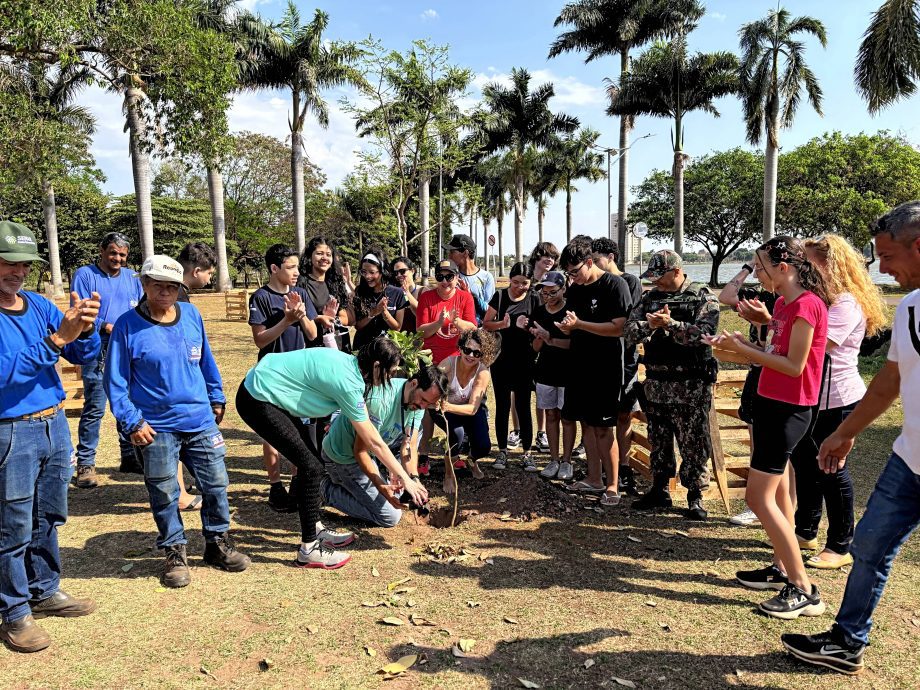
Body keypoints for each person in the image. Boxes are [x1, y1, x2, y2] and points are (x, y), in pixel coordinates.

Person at [781, 202, 920, 674]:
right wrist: (843, 434)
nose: (880, 267)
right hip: (908, 461)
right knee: (869, 548)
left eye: (887, 255)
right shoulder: (912, 308)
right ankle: (846, 642)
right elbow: (889, 381)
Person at [104, 255, 249, 589]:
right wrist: (132, 422)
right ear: (144, 285)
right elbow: (116, 382)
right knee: (165, 492)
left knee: (216, 484)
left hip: (199, 420)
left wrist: (216, 397)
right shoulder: (127, 326)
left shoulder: (192, 315)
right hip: (155, 427)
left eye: (172, 287)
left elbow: (206, 362)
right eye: (158, 286)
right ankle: (174, 551)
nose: (166, 293)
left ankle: (217, 543)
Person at [706, 236, 830, 619]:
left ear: (784, 267)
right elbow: (775, 355)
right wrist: (740, 342)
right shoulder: (784, 305)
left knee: (758, 499)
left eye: (760, 266)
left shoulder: (807, 306)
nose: (756, 273)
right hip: (772, 404)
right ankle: (782, 569)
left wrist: (745, 351)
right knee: (775, 499)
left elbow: (795, 366)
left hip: (789, 411)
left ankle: (804, 589)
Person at [236, 339, 429, 569]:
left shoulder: (352, 368)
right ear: (377, 367)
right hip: (258, 396)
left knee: (313, 463)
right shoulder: (349, 382)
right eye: (391, 371)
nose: (391, 378)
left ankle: (314, 528)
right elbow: (373, 442)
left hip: (272, 391)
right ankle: (309, 549)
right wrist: (406, 479)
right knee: (311, 467)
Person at [0, 222, 101, 654]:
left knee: (50, 514)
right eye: (9, 262)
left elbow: (78, 353)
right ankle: (14, 611)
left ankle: (44, 588)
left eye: (25, 264)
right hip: (10, 431)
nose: (18, 272)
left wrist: (86, 327)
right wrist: (59, 337)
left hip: (53, 423)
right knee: (12, 524)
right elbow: (6, 374)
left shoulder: (39, 305)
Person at [791, 235, 886, 568]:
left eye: (809, 263)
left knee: (832, 469)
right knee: (805, 465)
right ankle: (805, 529)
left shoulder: (845, 303)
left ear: (829, 265)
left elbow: (821, 343)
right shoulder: (822, 300)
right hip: (813, 396)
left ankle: (841, 545)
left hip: (839, 398)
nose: (803, 270)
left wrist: (782, 327)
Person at [626, 250, 720, 520]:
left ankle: (695, 495)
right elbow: (629, 332)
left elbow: (703, 335)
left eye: (660, 277)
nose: (655, 283)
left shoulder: (702, 296)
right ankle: (659, 489)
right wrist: (649, 325)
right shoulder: (650, 298)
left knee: (694, 441)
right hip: (657, 383)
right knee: (659, 439)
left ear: (676, 272)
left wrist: (670, 324)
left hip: (690, 385)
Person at [321, 365, 447, 526]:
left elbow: (408, 446)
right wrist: (382, 487)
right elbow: (360, 452)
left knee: (402, 493)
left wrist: (413, 478)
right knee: (390, 516)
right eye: (423, 400)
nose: (423, 407)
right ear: (414, 383)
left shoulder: (418, 401)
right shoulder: (380, 402)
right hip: (343, 457)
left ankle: (350, 486)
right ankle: (324, 488)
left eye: (428, 404)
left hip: (370, 452)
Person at [557, 236, 633, 506]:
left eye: (575, 271)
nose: (572, 277)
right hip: (579, 364)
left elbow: (618, 328)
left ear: (589, 262)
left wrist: (579, 325)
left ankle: (612, 485)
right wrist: (568, 325)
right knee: (586, 424)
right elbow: (575, 320)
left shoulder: (616, 285)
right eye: (568, 273)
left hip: (605, 367)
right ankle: (593, 478)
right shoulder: (575, 289)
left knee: (604, 427)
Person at [71, 231, 144, 488]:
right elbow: (81, 310)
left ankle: (129, 457)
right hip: (97, 346)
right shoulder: (86, 275)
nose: (117, 258)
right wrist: (105, 326)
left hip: (127, 346)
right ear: (102, 251)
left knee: (128, 401)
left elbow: (138, 309)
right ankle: (85, 464)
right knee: (95, 406)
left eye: (122, 255)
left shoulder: (132, 277)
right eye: (113, 252)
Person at [249, 244, 318, 512]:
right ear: (274, 269)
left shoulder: (300, 293)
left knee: (299, 431)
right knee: (272, 433)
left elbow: (312, 334)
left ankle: (296, 483)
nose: (296, 273)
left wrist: (300, 317)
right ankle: (275, 487)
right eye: (291, 267)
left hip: (298, 375)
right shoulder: (261, 298)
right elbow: (259, 339)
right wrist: (286, 322)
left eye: (297, 267)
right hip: (271, 375)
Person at [718, 262, 778, 527]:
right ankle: (758, 505)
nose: (758, 273)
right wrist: (746, 268)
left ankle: (766, 506)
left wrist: (766, 324)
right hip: (757, 373)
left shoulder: (794, 301)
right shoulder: (761, 296)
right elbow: (726, 297)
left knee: (774, 448)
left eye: (762, 267)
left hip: (777, 376)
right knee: (757, 441)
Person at [415, 258, 477, 475]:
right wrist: (439, 323)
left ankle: (456, 454)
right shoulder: (427, 298)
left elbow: (472, 330)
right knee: (427, 409)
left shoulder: (465, 297)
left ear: (456, 277)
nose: (445, 281)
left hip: (458, 363)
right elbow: (421, 331)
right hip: (431, 362)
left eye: (449, 276)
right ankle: (423, 455)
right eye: (440, 277)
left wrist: (457, 322)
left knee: (453, 408)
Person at [593, 237, 644, 494]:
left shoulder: (629, 282)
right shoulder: (596, 283)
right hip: (601, 358)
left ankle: (623, 467)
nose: (594, 263)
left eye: (598, 258)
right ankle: (605, 466)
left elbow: (629, 322)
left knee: (624, 414)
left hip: (626, 358)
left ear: (611, 257)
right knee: (602, 417)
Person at [484, 262, 539, 471]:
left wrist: (529, 326)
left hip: (525, 361)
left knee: (524, 407)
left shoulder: (534, 298)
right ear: (510, 279)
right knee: (503, 406)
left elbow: (540, 324)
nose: (519, 287)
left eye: (524, 283)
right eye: (516, 282)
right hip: (501, 361)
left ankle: (527, 452)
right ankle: (503, 452)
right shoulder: (499, 296)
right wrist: (502, 325)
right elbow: (485, 323)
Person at [433, 328, 500, 494]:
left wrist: (448, 406)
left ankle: (472, 459)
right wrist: (439, 402)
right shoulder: (448, 364)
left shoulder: (483, 373)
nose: (471, 356)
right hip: (442, 410)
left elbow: (473, 408)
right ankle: (448, 474)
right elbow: (431, 383)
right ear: (461, 348)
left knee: (484, 446)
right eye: (467, 350)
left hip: (465, 409)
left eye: (477, 353)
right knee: (457, 436)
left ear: (483, 354)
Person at [529, 271, 576, 480]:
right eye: (545, 292)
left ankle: (567, 461)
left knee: (567, 417)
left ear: (563, 289)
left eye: (553, 292)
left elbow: (575, 345)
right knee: (550, 415)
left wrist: (550, 338)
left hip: (567, 371)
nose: (548, 296)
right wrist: (539, 337)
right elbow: (535, 348)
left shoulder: (571, 312)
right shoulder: (538, 313)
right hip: (545, 371)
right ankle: (554, 459)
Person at [526, 241, 560, 453]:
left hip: (552, 347)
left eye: (552, 257)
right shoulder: (527, 285)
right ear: (536, 258)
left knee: (544, 394)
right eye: (544, 256)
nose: (549, 260)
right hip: (530, 342)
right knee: (524, 391)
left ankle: (543, 434)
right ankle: (524, 431)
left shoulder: (558, 283)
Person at [298, 236, 354, 351]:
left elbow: (349, 318)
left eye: (328, 254)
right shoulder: (301, 283)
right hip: (313, 346)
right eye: (319, 253)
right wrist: (319, 318)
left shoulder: (336, 283)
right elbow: (297, 314)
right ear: (310, 256)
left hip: (338, 344)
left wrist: (332, 318)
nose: (324, 258)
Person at [351, 250, 406, 351]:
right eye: (363, 272)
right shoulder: (360, 291)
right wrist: (374, 312)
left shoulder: (397, 293)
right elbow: (358, 326)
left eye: (372, 272)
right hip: (363, 349)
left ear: (382, 271)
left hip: (386, 350)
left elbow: (397, 328)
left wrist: (385, 313)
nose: (367, 276)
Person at [445, 233, 495, 326]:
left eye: (452, 252)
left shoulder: (487, 278)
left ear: (465, 253)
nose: (449, 256)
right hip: (454, 330)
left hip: (478, 332)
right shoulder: (449, 277)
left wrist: (471, 296)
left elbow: (490, 311)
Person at [390, 256, 426, 334]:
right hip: (399, 341)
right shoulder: (395, 292)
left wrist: (407, 293)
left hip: (419, 341)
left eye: (402, 271)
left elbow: (424, 315)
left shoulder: (424, 291)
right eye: (396, 273)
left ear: (412, 271)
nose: (399, 275)